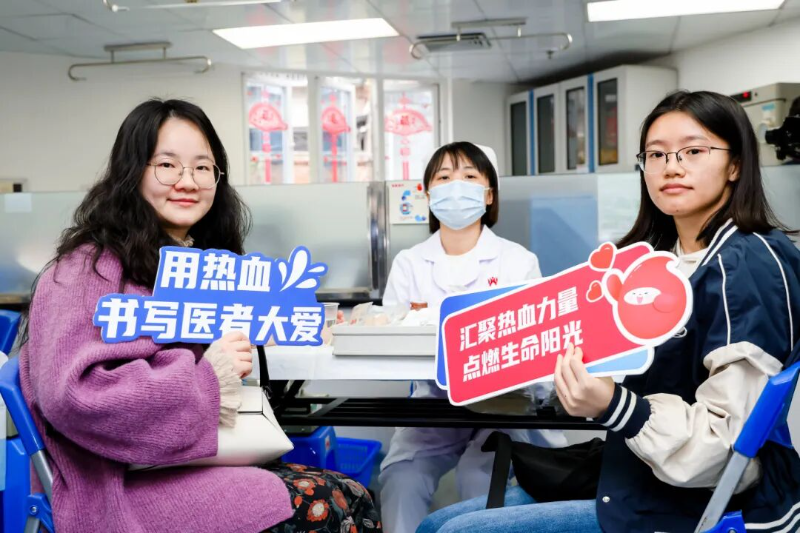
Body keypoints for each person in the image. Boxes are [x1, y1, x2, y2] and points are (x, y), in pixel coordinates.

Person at [417, 90, 800, 533]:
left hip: (701, 505)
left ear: (735, 165)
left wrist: (615, 404)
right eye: (656, 154)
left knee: (452, 531)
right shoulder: (666, 258)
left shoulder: (745, 266)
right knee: (436, 523)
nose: (672, 166)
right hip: (641, 473)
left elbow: (722, 447)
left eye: (694, 151)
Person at [18, 99, 381, 533]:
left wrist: (278, 325)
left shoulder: (190, 261)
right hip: (115, 486)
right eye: (167, 165)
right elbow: (76, 396)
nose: (187, 182)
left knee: (353, 494)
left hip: (182, 463)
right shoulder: (87, 268)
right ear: (131, 173)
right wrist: (210, 376)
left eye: (203, 168)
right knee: (335, 502)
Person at [379, 141, 567, 533]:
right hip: (434, 401)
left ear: (489, 194)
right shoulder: (409, 263)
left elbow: (535, 340)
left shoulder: (517, 261)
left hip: (505, 402)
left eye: (469, 176)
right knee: (401, 477)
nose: (455, 186)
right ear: (428, 194)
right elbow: (391, 337)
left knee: (478, 478)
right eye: (444, 177)